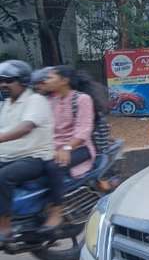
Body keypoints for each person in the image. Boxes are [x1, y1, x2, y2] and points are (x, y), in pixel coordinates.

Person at [37, 66, 98, 230]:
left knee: (53, 166)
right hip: (54, 148)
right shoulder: (50, 101)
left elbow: (84, 129)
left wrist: (66, 147)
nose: (46, 81)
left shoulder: (82, 99)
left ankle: (57, 209)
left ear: (64, 81)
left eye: (50, 78)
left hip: (79, 147)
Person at [0, 60, 55, 239]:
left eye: (8, 80)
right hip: (8, 155)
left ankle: (4, 225)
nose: (3, 84)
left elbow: (25, 127)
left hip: (34, 157)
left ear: (23, 81)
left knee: (3, 177)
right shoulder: (6, 103)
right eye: (1, 80)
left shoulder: (35, 100)